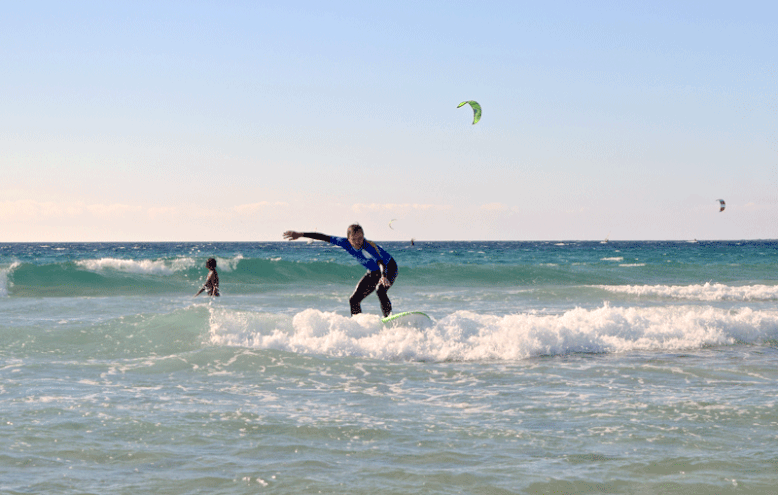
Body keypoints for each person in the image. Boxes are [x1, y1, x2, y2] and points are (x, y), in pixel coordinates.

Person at [283, 224, 397, 317]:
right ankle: (357, 324)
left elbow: (380, 262)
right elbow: (323, 237)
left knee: (380, 290)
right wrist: (301, 234)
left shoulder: (368, 247)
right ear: (348, 239)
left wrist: (384, 276)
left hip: (389, 268)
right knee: (353, 300)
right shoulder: (343, 243)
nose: (358, 242)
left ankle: (389, 318)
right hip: (374, 272)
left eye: (360, 238)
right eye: (354, 239)